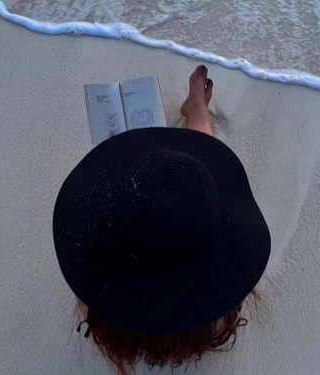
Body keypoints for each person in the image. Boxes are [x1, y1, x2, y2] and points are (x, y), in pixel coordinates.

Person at [53, 66, 270, 375]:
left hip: (138, 269)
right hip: (190, 272)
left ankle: (196, 109)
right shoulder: (210, 297)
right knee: (194, 170)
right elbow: (203, 148)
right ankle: (196, 109)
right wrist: (197, 107)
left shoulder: (112, 305)